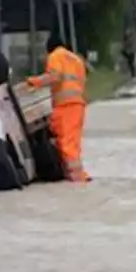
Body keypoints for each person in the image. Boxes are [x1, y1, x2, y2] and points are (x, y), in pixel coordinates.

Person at [26, 35, 91, 182]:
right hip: (78, 105)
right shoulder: (76, 59)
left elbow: (55, 77)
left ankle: (75, 177)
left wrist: (34, 81)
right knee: (73, 142)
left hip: (65, 106)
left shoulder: (55, 56)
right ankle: (78, 173)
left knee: (66, 142)